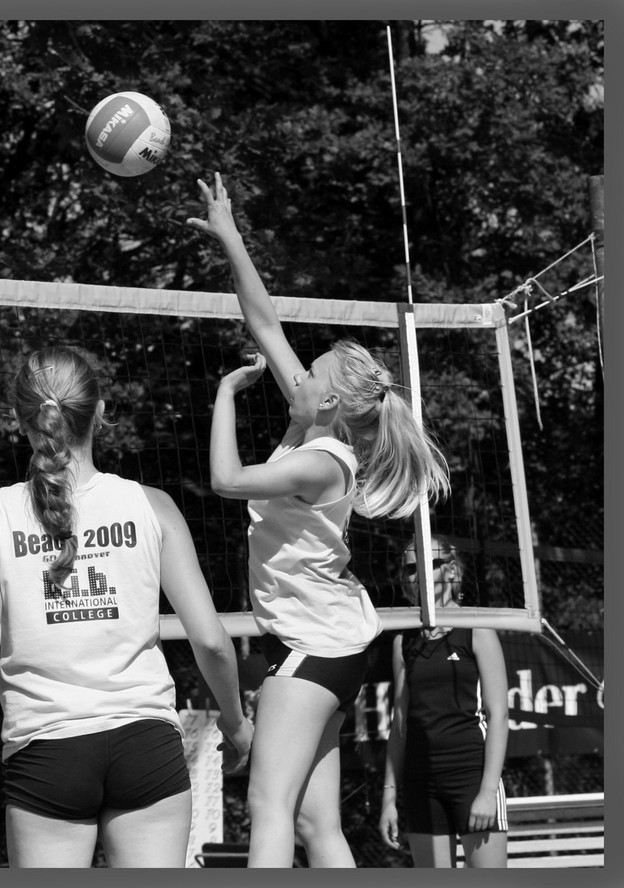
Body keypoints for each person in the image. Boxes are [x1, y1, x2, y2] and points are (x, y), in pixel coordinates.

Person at [187, 171, 451, 868]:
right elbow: (264, 322)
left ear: (330, 401)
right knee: (316, 826)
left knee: (268, 808)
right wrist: (230, 235)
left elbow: (224, 480)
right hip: (320, 641)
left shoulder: (322, 457)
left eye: (313, 372)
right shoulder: (314, 420)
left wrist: (224, 395)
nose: (299, 373)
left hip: (317, 645)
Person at [0, 345, 253, 868]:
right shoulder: (152, 505)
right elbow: (213, 640)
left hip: (48, 749)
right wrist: (237, 722)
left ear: (22, 421)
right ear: (101, 413)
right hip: (145, 743)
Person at [378, 535, 509, 867]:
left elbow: (498, 714)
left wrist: (487, 791)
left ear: (451, 571)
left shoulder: (476, 628)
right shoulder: (403, 640)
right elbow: (400, 725)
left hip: (472, 775)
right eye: (410, 568)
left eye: (428, 564)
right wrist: (389, 798)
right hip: (422, 783)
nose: (417, 574)